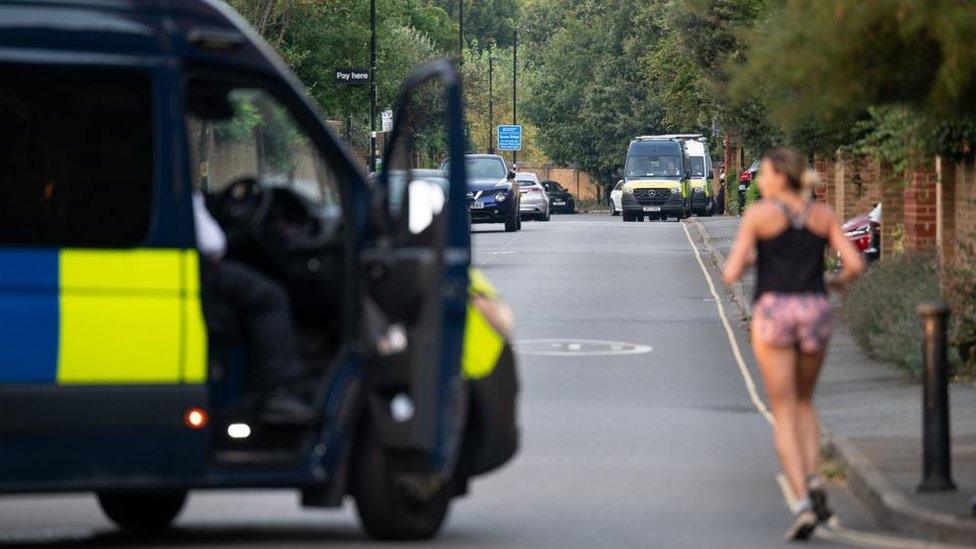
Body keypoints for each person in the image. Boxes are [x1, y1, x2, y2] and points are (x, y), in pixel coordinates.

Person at [722, 147, 864, 540]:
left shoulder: (760, 215)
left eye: (765, 175)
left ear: (781, 177)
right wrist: (830, 284)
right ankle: (815, 475)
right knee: (805, 402)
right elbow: (854, 265)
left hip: (774, 312)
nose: (761, 182)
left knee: (783, 408)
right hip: (815, 308)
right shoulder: (822, 215)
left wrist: (754, 258)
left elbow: (731, 272)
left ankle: (802, 500)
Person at [194, 190, 316, 425]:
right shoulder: (180, 184)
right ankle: (280, 391)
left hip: (187, 268)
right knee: (270, 298)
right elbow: (213, 244)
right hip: (198, 271)